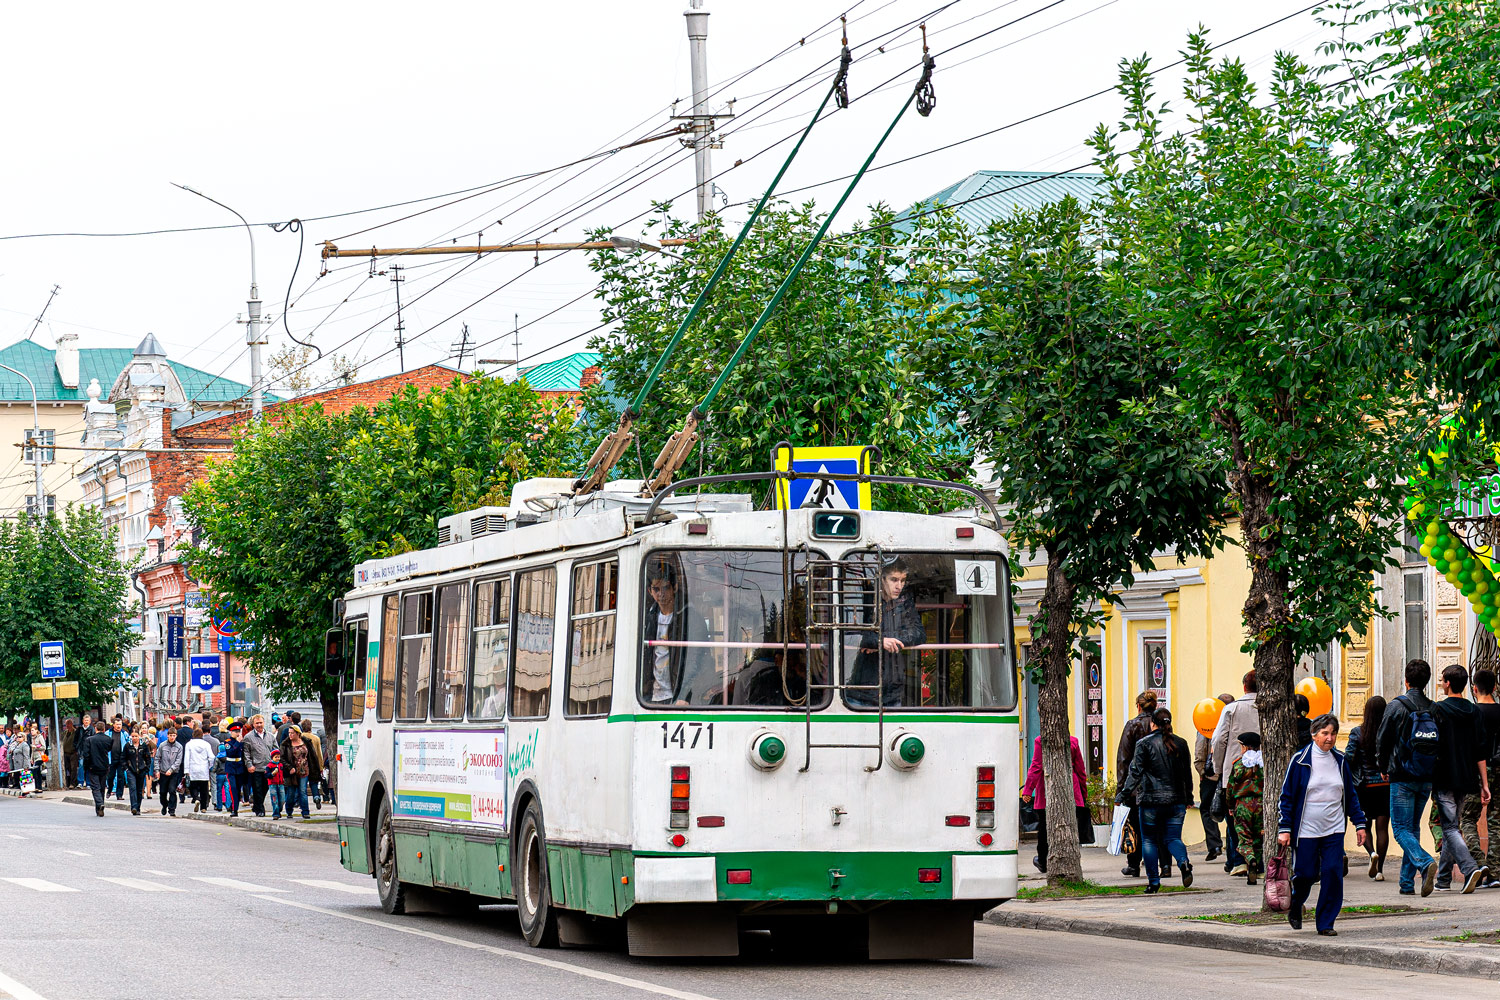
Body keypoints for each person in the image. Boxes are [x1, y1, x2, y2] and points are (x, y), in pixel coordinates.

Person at [1278, 713, 1368, 935]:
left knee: (1332, 873)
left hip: (1334, 828)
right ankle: (1296, 903)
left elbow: (1349, 794)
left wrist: (1359, 823)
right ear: (1314, 734)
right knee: (1306, 874)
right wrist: (1285, 828)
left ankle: (1326, 922)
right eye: (1325, 733)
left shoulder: (1340, 761)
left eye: (1333, 733)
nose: (1330, 738)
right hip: (1307, 828)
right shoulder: (1299, 761)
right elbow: (1287, 797)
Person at [1378, 658, 1439, 896]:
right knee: (1412, 828)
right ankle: (1406, 883)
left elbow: (1382, 740)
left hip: (1401, 775)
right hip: (1426, 776)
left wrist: (1383, 765)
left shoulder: (1396, 706)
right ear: (1427, 681)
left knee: (1401, 830)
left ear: (1406, 680)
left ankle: (1424, 862)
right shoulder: (1434, 708)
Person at [1431, 664, 1491, 893]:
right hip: (1467, 777)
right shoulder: (1474, 712)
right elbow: (1480, 751)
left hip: (1444, 776)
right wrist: (1484, 783)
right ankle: (1443, 879)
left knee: (1449, 828)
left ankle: (1469, 868)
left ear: (1447, 683)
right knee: (1452, 827)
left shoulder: (1438, 710)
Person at [1120, 707, 1194, 892]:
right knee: (1172, 838)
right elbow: (1187, 774)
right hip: (1176, 800)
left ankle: (1153, 882)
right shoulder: (1181, 743)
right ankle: (1183, 862)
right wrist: (1189, 796)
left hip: (1150, 801)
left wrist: (1123, 794)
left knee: (1149, 841)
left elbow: (1135, 772)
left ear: (1152, 723)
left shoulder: (1144, 744)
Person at [848, 557, 927, 708]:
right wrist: (879, 642)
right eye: (894, 580)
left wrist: (885, 641)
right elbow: (850, 633)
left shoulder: (904, 603)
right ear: (882, 579)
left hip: (893, 691)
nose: (899, 586)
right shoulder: (865, 601)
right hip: (861, 690)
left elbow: (919, 634)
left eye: (903, 580)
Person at [640, 561, 713, 705]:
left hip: (677, 697)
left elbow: (694, 659)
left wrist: (683, 694)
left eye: (666, 588)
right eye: (656, 589)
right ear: (650, 591)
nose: (661, 594)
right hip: (651, 697)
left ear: (675, 587)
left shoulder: (691, 619)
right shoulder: (648, 619)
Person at [1211, 670, 1262, 876]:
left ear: (1244, 687)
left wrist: (1218, 770)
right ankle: (1258, 862)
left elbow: (1218, 739)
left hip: (1234, 771)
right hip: (1263, 772)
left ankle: (1238, 861)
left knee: (1234, 818)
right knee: (1260, 822)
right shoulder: (1270, 707)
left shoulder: (1231, 709)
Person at [1020, 734, 1091, 873]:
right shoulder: (1073, 741)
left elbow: (1036, 765)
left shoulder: (1040, 741)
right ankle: (1070, 859)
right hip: (1071, 787)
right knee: (1070, 826)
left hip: (1047, 788)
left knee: (1044, 826)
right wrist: (1083, 792)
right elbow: (1080, 769)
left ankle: (1042, 860)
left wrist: (1028, 790)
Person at [1345, 694, 1391, 881]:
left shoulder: (1358, 732)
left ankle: (1371, 853)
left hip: (1364, 787)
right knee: (1382, 828)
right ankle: (1380, 870)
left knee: (1365, 824)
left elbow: (1348, 757)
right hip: (1385, 785)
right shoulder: (1388, 732)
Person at [1116, 691, 1160, 879]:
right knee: (1157, 827)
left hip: (1135, 786)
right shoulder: (1163, 726)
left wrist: (1121, 789)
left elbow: (1124, 759)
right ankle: (1163, 865)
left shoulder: (1132, 725)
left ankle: (1133, 864)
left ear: (1139, 706)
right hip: (1159, 785)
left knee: (1134, 825)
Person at [1465, 668, 1500, 887]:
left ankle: (1478, 863)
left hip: (1477, 770)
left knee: (1467, 818)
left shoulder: (1472, 713)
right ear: (1495, 688)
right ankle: (1495, 873)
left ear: (1474, 688)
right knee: (1496, 819)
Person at [1195, 692, 1236, 863]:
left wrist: (1202, 771)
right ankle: (1231, 855)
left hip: (1211, 775)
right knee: (1230, 813)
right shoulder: (1236, 721)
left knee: (1206, 809)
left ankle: (1215, 845)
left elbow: (1199, 749)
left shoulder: (1207, 721)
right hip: (1231, 775)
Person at [280, 725, 322, 820]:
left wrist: (317, 768)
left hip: (304, 770)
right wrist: (289, 767)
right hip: (292, 772)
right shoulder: (285, 744)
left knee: (303, 791)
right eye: (289, 733)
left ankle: (305, 812)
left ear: (298, 733)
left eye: (292, 733)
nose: (290, 735)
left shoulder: (306, 742)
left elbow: (313, 755)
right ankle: (289, 810)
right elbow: (282, 758)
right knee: (291, 793)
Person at [242, 715, 276, 816]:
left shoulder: (270, 736)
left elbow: (275, 750)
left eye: (261, 723)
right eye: (257, 723)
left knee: (265, 788)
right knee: (257, 789)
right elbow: (246, 753)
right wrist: (249, 765)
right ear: (253, 724)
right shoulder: (248, 737)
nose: (259, 725)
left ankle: (256, 805)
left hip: (268, 768)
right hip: (255, 768)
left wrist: (275, 764)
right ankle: (260, 810)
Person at [81, 721, 111, 816]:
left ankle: (99, 803)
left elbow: (86, 754)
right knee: (102, 787)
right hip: (104, 765)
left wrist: (86, 766)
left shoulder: (89, 740)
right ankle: (99, 809)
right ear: (104, 729)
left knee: (95, 787)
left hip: (93, 766)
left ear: (95, 729)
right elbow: (109, 750)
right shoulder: (108, 739)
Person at [121, 728, 153, 815]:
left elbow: (148, 758)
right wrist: (126, 768)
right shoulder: (128, 746)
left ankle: (138, 807)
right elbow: (123, 758)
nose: (134, 738)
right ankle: (134, 807)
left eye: (136, 736)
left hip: (141, 770)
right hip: (131, 769)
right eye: (133, 736)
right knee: (133, 788)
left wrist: (147, 768)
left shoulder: (143, 746)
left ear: (139, 736)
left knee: (139, 790)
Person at [183, 727, 214, 814]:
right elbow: (211, 757)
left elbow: (187, 758)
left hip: (193, 768)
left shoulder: (189, 744)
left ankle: (196, 798)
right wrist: (209, 765)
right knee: (204, 789)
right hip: (204, 769)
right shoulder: (206, 744)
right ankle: (203, 807)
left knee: (193, 786)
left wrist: (186, 770)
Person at [154, 728, 184, 817]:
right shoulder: (162, 746)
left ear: (176, 736)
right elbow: (157, 758)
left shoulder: (179, 747)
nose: (172, 737)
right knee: (162, 792)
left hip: (173, 773)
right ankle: (164, 805)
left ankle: (172, 809)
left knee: (172, 790)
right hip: (163, 772)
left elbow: (178, 761)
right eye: (170, 735)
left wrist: (171, 770)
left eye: (173, 736)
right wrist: (157, 770)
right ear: (168, 735)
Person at [300, 720, 324, 808]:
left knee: (303, 784)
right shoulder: (316, 738)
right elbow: (319, 753)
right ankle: (316, 797)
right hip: (314, 763)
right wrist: (321, 766)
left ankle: (302, 802)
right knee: (314, 783)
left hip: (303, 764)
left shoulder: (300, 737)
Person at [223, 721, 246, 815]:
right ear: (231, 732)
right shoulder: (228, 742)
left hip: (239, 766)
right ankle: (234, 809)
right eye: (235, 731)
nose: (237, 733)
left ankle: (235, 807)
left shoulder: (241, 742)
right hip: (231, 766)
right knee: (233, 788)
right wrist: (238, 743)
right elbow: (231, 752)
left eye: (238, 731)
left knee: (238, 788)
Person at [267, 750, 287, 820]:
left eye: (278, 757)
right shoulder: (269, 766)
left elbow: (284, 773)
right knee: (274, 799)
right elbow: (266, 775)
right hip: (273, 784)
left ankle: (279, 810)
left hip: (280, 784)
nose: (277, 758)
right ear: (272, 758)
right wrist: (272, 774)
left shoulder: (281, 765)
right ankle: (275, 814)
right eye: (276, 757)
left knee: (282, 799)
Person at [75, 713, 93, 787]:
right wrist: (76, 748)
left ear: (90, 721)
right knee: (81, 766)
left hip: (89, 750)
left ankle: (88, 783)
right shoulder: (79, 729)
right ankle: (80, 782)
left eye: (87, 720)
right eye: (85, 720)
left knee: (88, 767)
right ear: (83, 721)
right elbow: (75, 740)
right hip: (81, 750)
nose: (86, 722)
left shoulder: (92, 729)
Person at [61, 720, 79, 790]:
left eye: (69, 724)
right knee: (67, 768)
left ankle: (73, 783)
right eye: (66, 724)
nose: (67, 726)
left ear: (72, 724)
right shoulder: (65, 732)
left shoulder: (75, 732)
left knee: (73, 768)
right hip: (66, 753)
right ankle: (67, 782)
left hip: (73, 753)